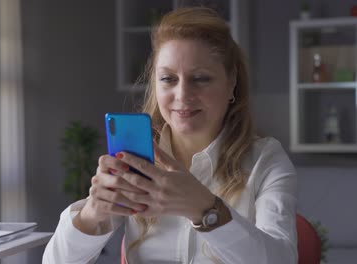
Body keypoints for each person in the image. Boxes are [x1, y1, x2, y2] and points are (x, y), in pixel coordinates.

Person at [43, 7, 297, 264]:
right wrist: (91, 214)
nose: (183, 95)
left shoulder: (265, 160)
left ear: (231, 82)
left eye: (200, 78)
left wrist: (205, 210)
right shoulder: (137, 157)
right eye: (168, 78)